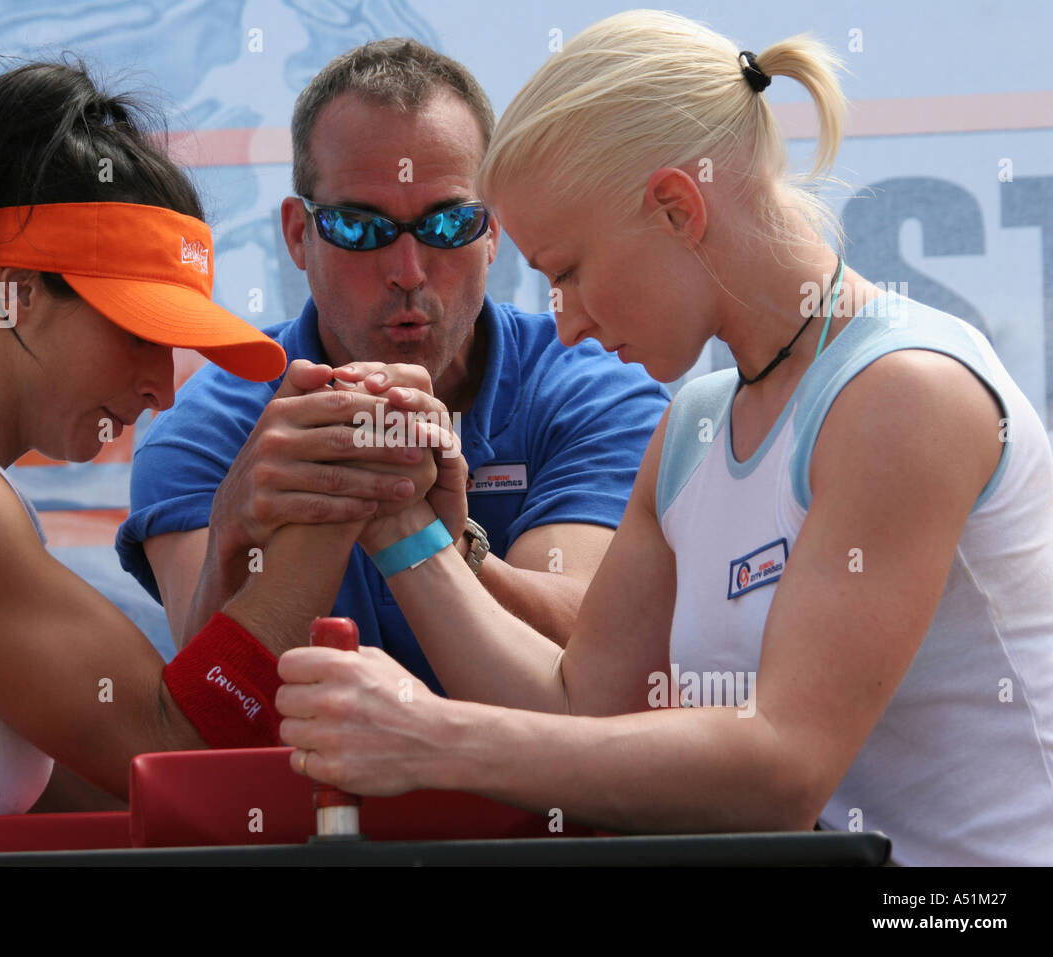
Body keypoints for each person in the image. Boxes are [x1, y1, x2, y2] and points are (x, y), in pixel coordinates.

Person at [272, 11, 1053, 866]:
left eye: (568, 272)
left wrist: (428, 736)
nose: (563, 327)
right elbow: (576, 712)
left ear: (677, 208)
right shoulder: (695, 422)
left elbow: (783, 770)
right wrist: (400, 521)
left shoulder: (907, 394)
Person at [0, 61, 439, 864]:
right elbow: (176, 748)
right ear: (14, 292)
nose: (159, 387)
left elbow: (136, 784)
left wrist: (236, 534)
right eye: (137, 330)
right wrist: (347, 481)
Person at [118, 39, 670, 693]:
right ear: (298, 235)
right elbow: (218, 707)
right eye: (358, 228)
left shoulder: (594, 391)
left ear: (494, 230)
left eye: (448, 224)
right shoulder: (211, 425)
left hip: (540, 799)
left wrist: (448, 543)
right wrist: (235, 535)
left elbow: (598, 656)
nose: (408, 273)